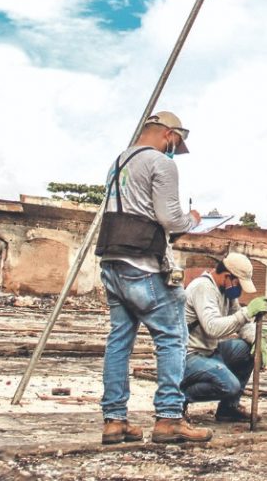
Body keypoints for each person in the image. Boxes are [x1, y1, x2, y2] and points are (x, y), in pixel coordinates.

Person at [96, 111, 213, 446]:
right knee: (172, 338)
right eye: (175, 142)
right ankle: (169, 418)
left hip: (112, 261)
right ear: (167, 134)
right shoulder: (162, 163)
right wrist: (190, 219)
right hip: (143, 265)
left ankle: (114, 421)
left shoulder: (119, 162)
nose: (175, 149)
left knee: (119, 340)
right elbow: (169, 217)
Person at [182, 253, 267, 421]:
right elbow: (212, 328)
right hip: (187, 356)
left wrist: (258, 342)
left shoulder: (226, 294)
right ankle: (178, 398)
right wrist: (248, 312)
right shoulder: (203, 287)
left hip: (209, 352)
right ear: (227, 276)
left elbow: (242, 324)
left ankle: (228, 409)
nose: (239, 289)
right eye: (238, 283)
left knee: (247, 350)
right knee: (230, 386)